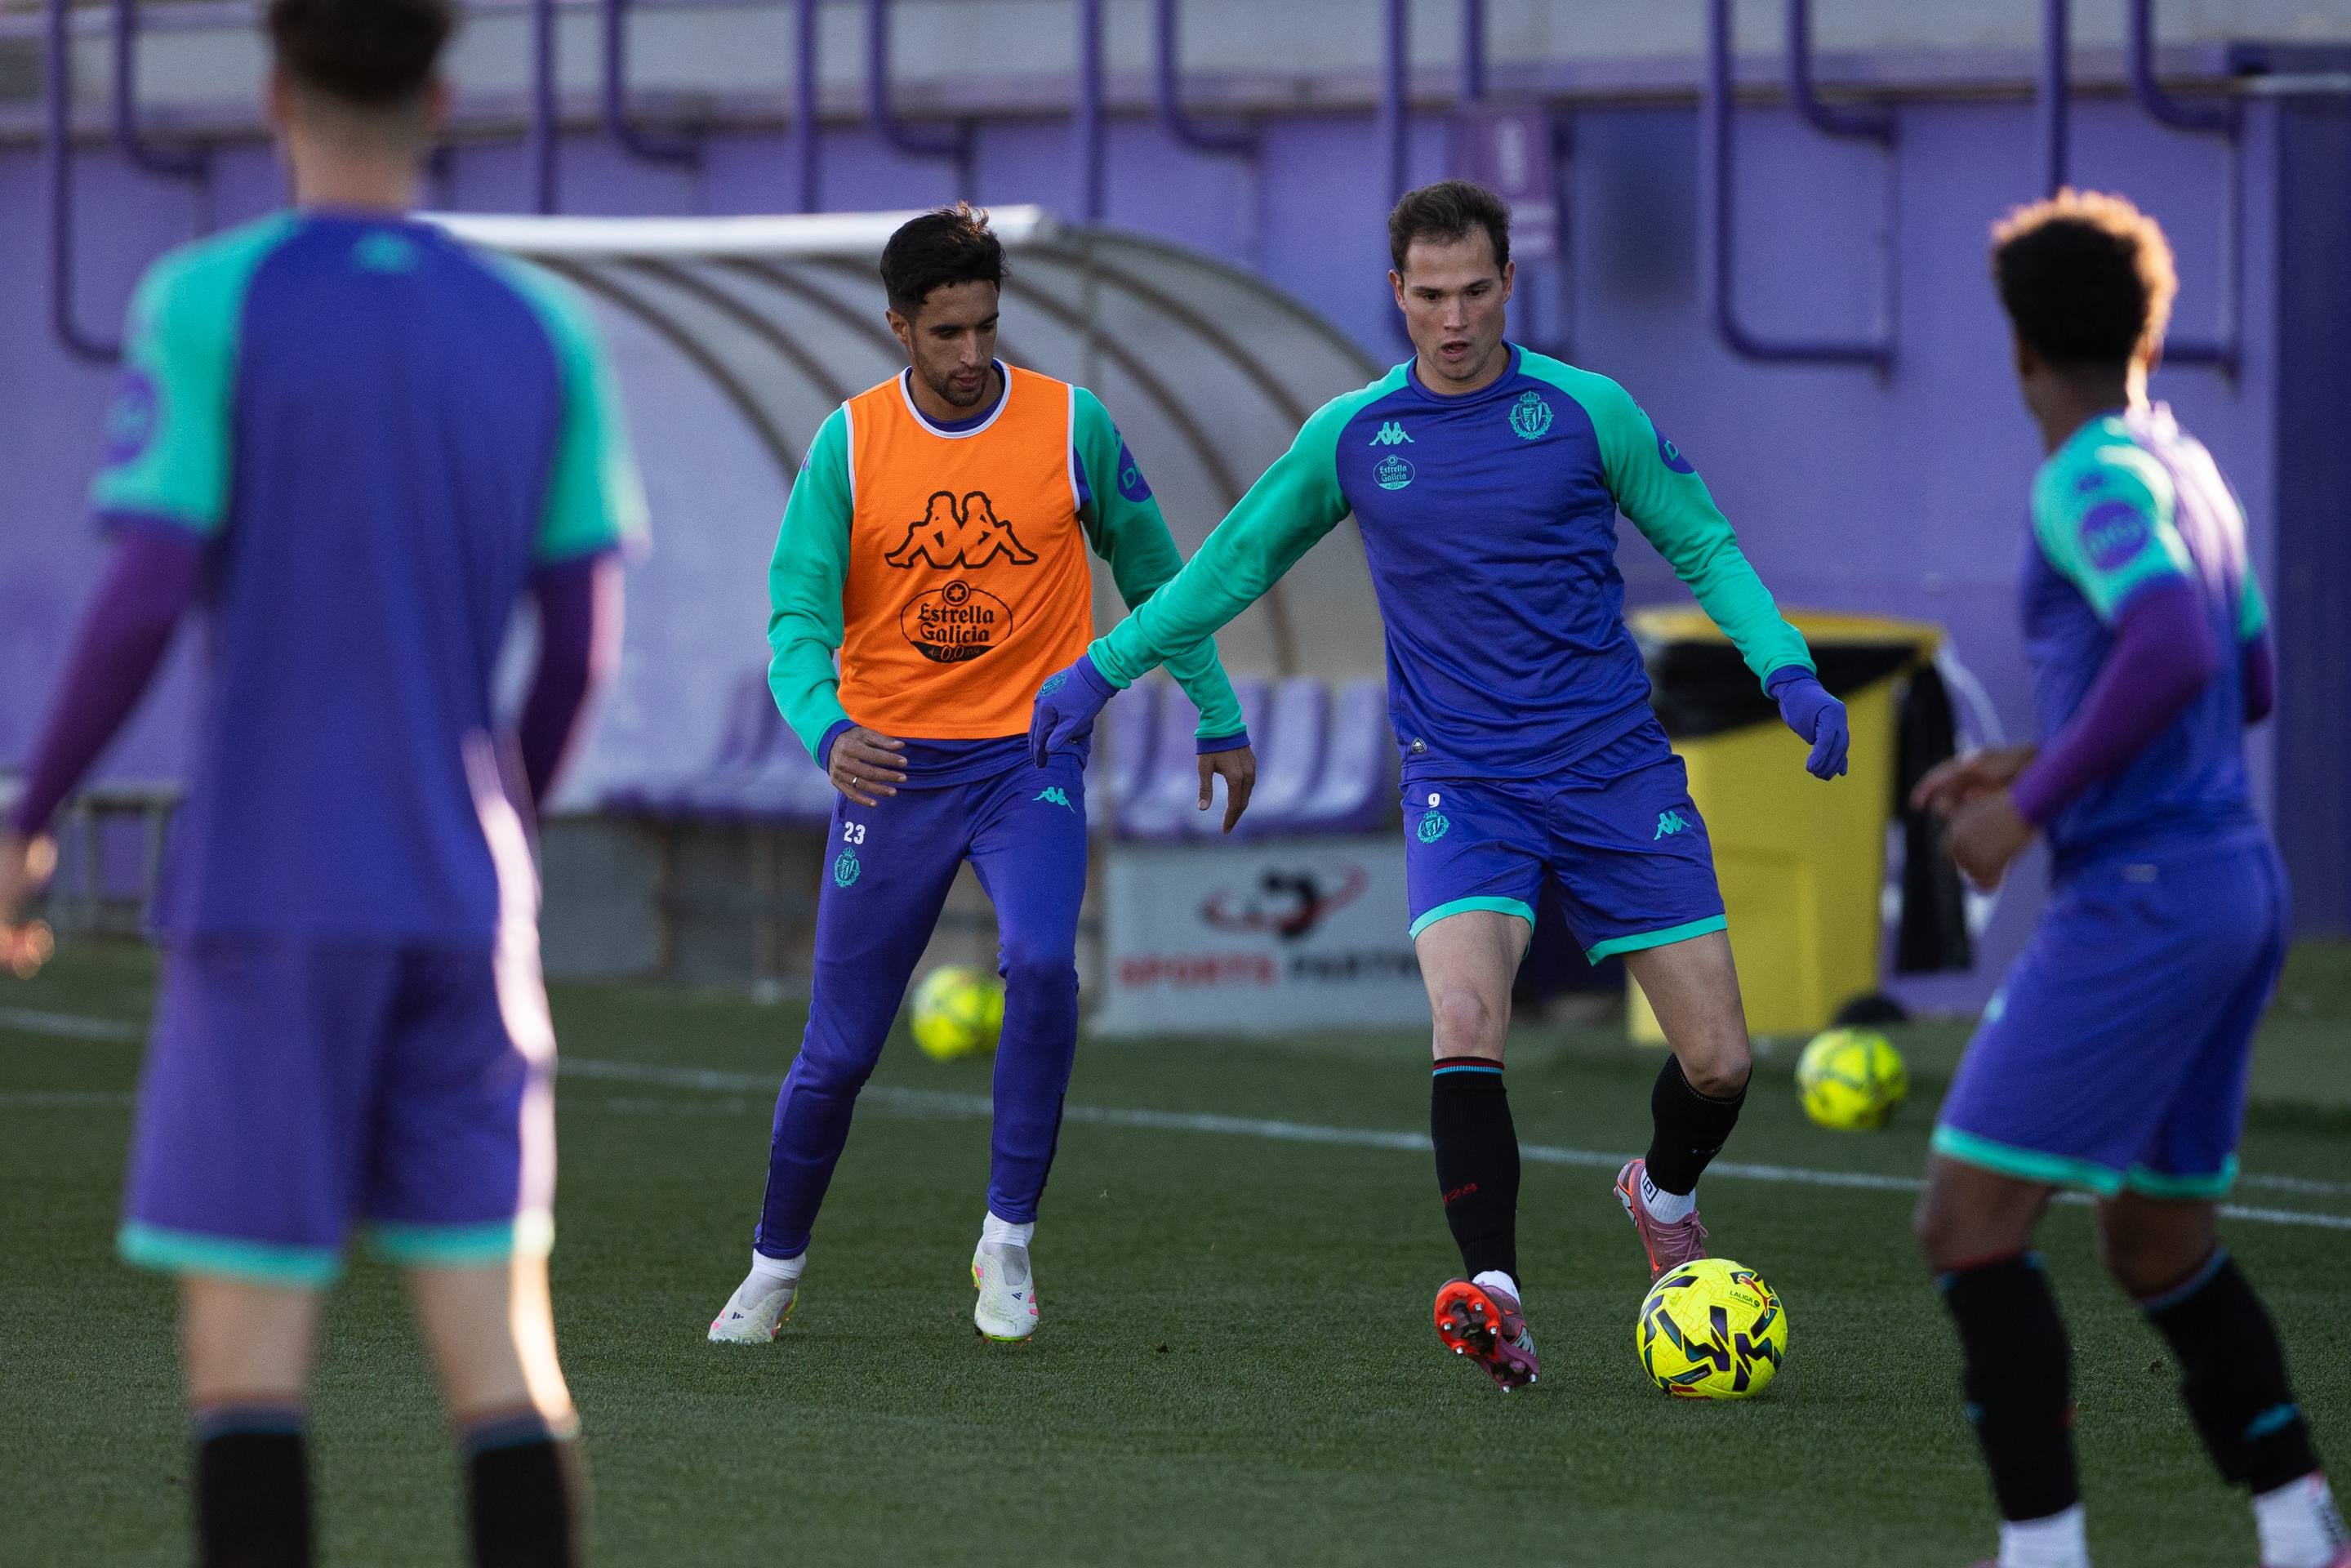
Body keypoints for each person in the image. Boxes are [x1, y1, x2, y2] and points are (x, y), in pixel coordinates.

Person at [0, 1, 644, 1561]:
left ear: (275, 88)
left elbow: (148, 590)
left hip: (271, 894)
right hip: (460, 895)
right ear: (442, 94)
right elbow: (579, 648)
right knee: (502, 1363)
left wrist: (29, 816)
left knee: (249, 1378)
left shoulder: (216, 299)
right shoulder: (538, 329)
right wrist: (505, 819)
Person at [1029, 180, 1844, 1391]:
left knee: (1723, 1061)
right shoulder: (1354, 436)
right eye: (1429, 296)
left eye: (1474, 293)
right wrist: (1100, 671)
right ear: (1397, 294)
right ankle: (1497, 1293)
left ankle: (1660, 1191)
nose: (1452, 319)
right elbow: (1229, 566)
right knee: (1466, 1018)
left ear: (1508, 285)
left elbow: (1703, 545)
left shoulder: (1586, 412)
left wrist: (1786, 669)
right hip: (1465, 780)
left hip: (1616, 770)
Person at [708, 204, 1254, 1348]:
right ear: (899, 325)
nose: (970, 358)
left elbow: (1168, 582)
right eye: (946, 333)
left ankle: (1007, 1241)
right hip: (891, 771)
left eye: (987, 330)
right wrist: (824, 729)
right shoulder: (849, 445)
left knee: (1044, 963)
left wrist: (1216, 713)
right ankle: (773, 1265)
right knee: (840, 1052)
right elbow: (796, 617)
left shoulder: (1072, 427)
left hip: (1029, 762)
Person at [1912, 190, 2344, 1568]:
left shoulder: (2085, 475)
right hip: (2235, 885)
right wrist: (2043, 745)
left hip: (2147, 898)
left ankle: (2042, 1557)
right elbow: (2248, 679)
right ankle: (2302, 1529)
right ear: (2148, 329)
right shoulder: (2191, 469)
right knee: (2155, 1245)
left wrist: (2029, 804)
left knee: (1968, 1223)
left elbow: (2174, 648)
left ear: (2022, 349)